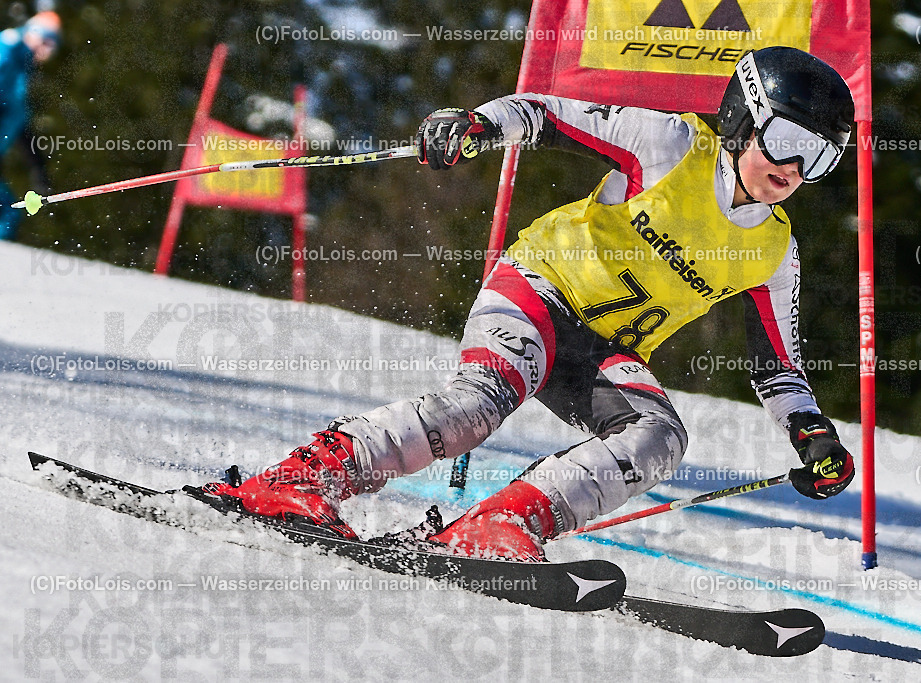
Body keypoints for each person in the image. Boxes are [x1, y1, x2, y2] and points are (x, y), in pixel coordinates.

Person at [200, 46, 857, 561]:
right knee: (476, 406)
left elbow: (778, 371)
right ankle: (297, 480)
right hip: (538, 291)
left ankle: (500, 522)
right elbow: (542, 112)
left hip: (602, 352)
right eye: (785, 142)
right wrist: (476, 123)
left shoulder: (775, 250)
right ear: (742, 118)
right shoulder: (671, 146)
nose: (794, 169)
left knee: (659, 436)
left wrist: (811, 432)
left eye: (819, 158)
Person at [0, 10, 60, 240]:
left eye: (53, 45)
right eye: (45, 41)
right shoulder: (6, 52)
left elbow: (20, 125)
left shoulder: (22, 68)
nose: (47, 51)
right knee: (6, 211)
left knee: (8, 210)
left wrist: (38, 168)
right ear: (31, 34)